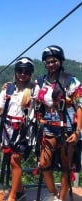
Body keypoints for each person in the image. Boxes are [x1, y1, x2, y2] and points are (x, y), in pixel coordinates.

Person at [0, 57, 36, 201]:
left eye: (26, 72)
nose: (22, 74)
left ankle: (12, 195)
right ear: (15, 72)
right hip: (8, 131)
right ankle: (20, 190)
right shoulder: (9, 89)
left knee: (14, 162)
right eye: (19, 71)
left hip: (23, 132)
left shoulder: (35, 90)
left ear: (31, 73)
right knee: (12, 162)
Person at [35, 45, 82, 201]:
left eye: (53, 61)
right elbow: (32, 96)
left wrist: (78, 131)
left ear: (60, 61)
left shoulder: (70, 80)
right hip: (48, 126)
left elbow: (80, 106)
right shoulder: (41, 81)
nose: (50, 64)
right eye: (47, 62)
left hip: (67, 127)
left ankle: (61, 198)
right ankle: (54, 193)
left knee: (66, 166)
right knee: (43, 163)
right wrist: (10, 85)